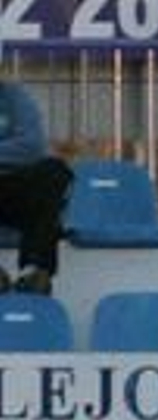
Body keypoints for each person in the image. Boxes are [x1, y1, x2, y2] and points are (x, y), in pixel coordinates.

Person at [0, 77, 72, 296]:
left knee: (54, 171)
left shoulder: (14, 97)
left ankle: (34, 271)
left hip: (12, 184)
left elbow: (32, 145)